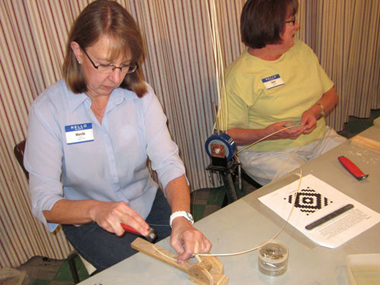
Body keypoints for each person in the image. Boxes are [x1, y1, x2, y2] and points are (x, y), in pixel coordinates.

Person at [24, 0, 211, 272]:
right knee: (146, 275)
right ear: (77, 51)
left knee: (192, 260)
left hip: (145, 204)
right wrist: (96, 210)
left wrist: (182, 218)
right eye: (104, 64)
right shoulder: (48, 111)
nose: (115, 78)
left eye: (124, 65)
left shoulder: (140, 96)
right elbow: (44, 203)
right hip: (89, 222)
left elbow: (168, 163)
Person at [219, 0, 346, 186]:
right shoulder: (239, 75)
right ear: (270, 25)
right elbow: (229, 134)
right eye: (291, 21)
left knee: (360, 168)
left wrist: (315, 111)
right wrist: (268, 133)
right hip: (268, 153)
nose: (297, 26)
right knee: (314, 190)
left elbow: (331, 95)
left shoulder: (301, 50)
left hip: (320, 139)